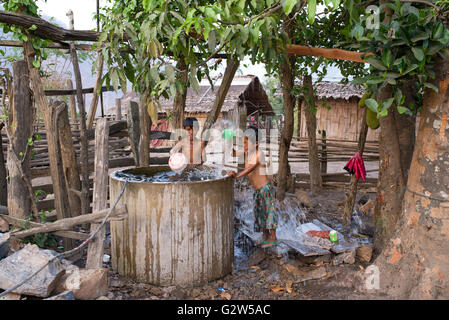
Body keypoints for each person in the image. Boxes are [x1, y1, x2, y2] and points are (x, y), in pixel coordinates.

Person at [228, 126, 278, 248]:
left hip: (265, 189)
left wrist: (237, 175)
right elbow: (233, 154)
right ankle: (265, 235)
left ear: (255, 143)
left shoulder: (258, 153)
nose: (244, 145)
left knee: (268, 212)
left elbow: (251, 167)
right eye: (243, 142)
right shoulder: (246, 151)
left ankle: (273, 237)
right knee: (259, 213)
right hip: (258, 190)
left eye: (246, 142)